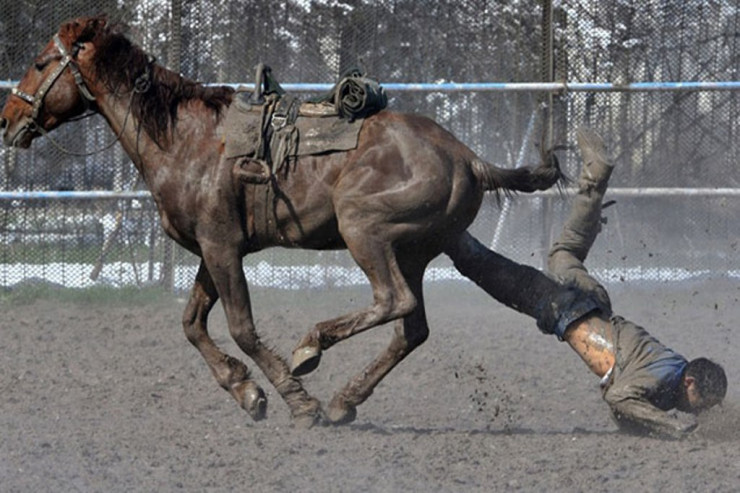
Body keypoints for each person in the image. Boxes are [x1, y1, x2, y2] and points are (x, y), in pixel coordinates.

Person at [445, 128, 727, 438]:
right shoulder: (661, 378)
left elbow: (626, 410)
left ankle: (594, 185)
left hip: (596, 307)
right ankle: (444, 228)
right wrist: (676, 428)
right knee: (483, 268)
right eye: (702, 404)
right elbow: (618, 397)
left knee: (563, 253)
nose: (700, 411)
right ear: (690, 383)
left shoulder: (673, 368)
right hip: (570, 310)